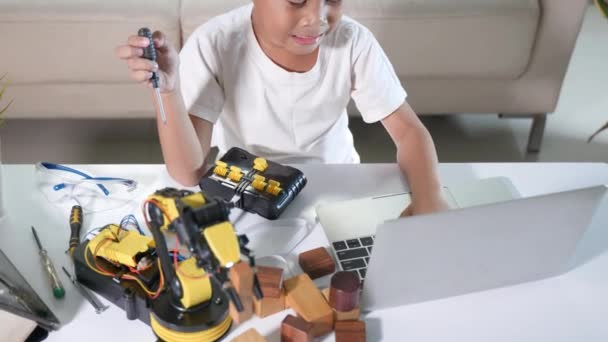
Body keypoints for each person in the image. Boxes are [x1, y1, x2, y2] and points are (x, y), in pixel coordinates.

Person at [115, 0, 449, 216]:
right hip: (250, 194)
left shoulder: (352, 41)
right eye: (297, 1)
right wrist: (170, 92)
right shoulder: (215, 42)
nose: (315, 18)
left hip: (337, 186)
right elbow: (188, 171)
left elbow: (408, 132)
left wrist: (429, 200)